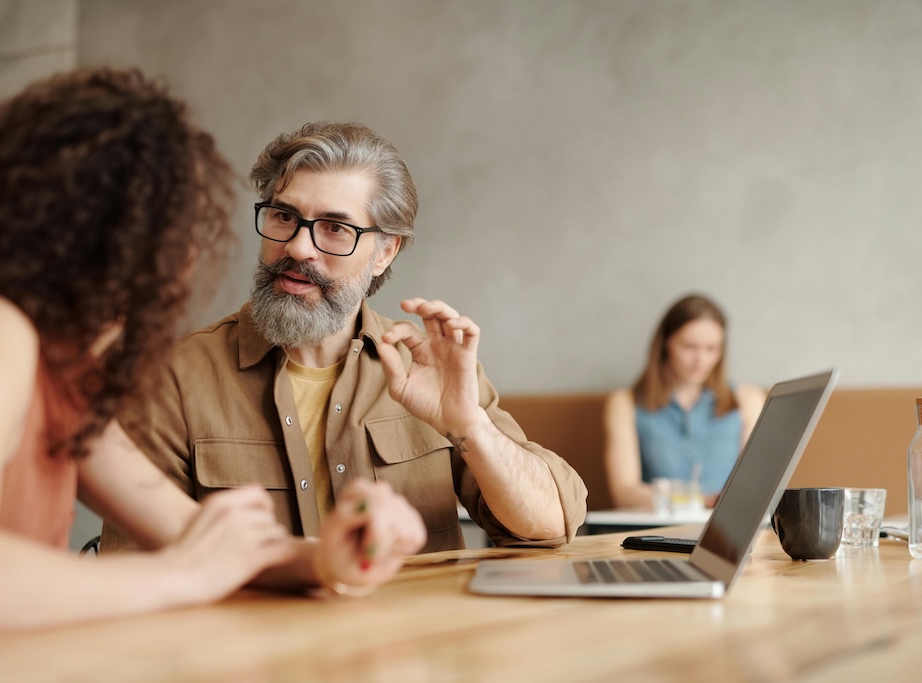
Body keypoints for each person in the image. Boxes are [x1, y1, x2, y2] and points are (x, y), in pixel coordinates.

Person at [0, 69, 425, 635]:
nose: (187, 253)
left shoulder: (68, 372)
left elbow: (190, 533)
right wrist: (183, 576)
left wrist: (324, 558)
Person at [102, 121, 587, 554]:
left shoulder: (431, 370)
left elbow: (548, 526)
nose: (297, 247)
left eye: (335, 228)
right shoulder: (173, 375)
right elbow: (136, 573)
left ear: (384, 252)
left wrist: (470, 427)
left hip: (414, 648)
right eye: (283, 216)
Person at [603, 294, 766, 509]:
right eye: (689, 347)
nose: (701, 360)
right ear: (665, 344)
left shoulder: (748, 400)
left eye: (711, 349)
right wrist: (701, 501)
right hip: (656, 531)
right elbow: (624, 493)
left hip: (725, 531)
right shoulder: (625, 403)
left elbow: (756, 486)